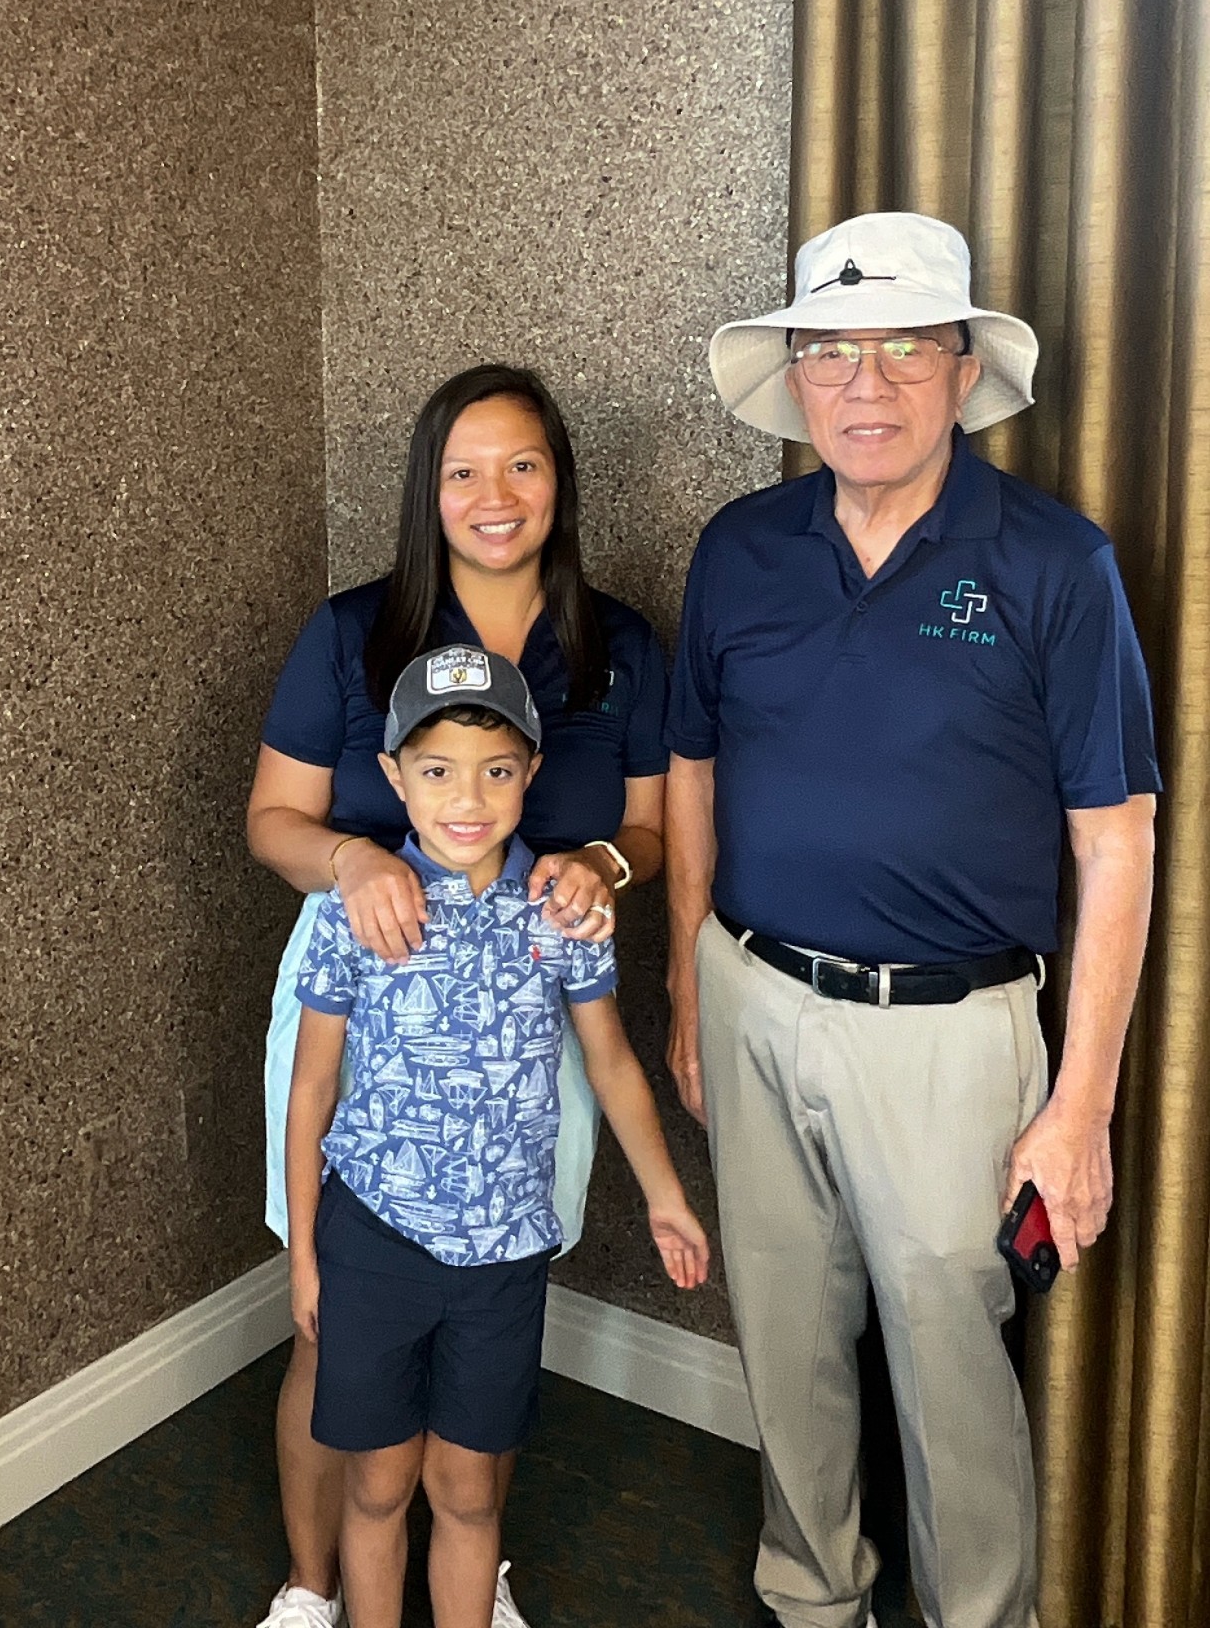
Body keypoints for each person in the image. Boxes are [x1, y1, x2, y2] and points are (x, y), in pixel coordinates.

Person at [664, 212, 1158, 1628]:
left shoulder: (1057, 563)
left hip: (951, 1036)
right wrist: (692, 986)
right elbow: (692, 768)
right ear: (797, 377)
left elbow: (1116, 839)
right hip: (752, 996)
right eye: (832, 351)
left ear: (961, 370)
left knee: (953, 1375)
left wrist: (1081, 1105)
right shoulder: (740, 549)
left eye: (903, 348)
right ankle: (813, 1596)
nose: (865, 384)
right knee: (786, 1347)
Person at [247, 365, 670, 1628]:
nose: (497, 494)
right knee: (337, 1323)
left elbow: (651, 828)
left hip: (531, 1013)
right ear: (427, 489)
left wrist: (602, 866)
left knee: (492, 1294)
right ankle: (314, 1583)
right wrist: (352, 857)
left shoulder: (619, 644)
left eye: (523, 464)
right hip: (361, 1000)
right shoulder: (352, 630)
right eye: (464, 469)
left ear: (560, 482)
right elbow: (272, 818)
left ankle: (472, 1567)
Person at [285, 647, 710, 1628]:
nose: (467, 798)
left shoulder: (562, 912)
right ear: (395, 776)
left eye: (496, 769)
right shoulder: (354, 913)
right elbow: (311, 1088)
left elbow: (610, 1063)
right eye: (437, 769)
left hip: (504, 1254)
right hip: (374, 1242)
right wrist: (305, 1254)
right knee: (377, 1486)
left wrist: (666, 1195)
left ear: (532, 770)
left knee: (471, 1492)